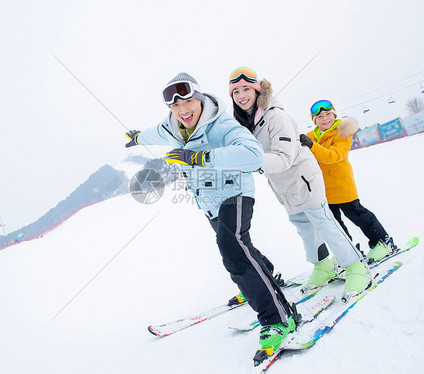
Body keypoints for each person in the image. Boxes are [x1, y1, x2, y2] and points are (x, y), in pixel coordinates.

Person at [125, 72, 299, 363]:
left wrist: (200, 158)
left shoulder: (222, 125)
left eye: (188, 102)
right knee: (240, 248)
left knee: (232, 250)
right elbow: (155, 133)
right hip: (209, 202)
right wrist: (137, 137)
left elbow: (253, 154)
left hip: (236, 193)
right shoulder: (173, 127)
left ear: (200, 99)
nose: (182, 110)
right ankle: (260, 279)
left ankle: (279, 319)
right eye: (175, 107)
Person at [228, 67, 370, 299]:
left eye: (246, 89)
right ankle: (322, 266)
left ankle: (356, 266)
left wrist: (250, 161)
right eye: (235, 91)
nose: (241, 95)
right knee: (303, 226)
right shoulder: (248, 122)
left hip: (303, 178)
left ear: (257, 90)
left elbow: (284, 157)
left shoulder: (276, 116)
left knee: (324, 222)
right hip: (283, 185)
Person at [300, 99, 397, 262]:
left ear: (334, 114)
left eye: (328, 114)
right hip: (322, 189)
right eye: (320, 116)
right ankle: (348, 252)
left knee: (358, 215)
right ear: (315, 121)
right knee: (334, 225)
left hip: (341, 185)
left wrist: (312, 146)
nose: (325, 119)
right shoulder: (311, 136)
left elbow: (333, 156)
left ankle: (382, 242)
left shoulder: (342, 132)